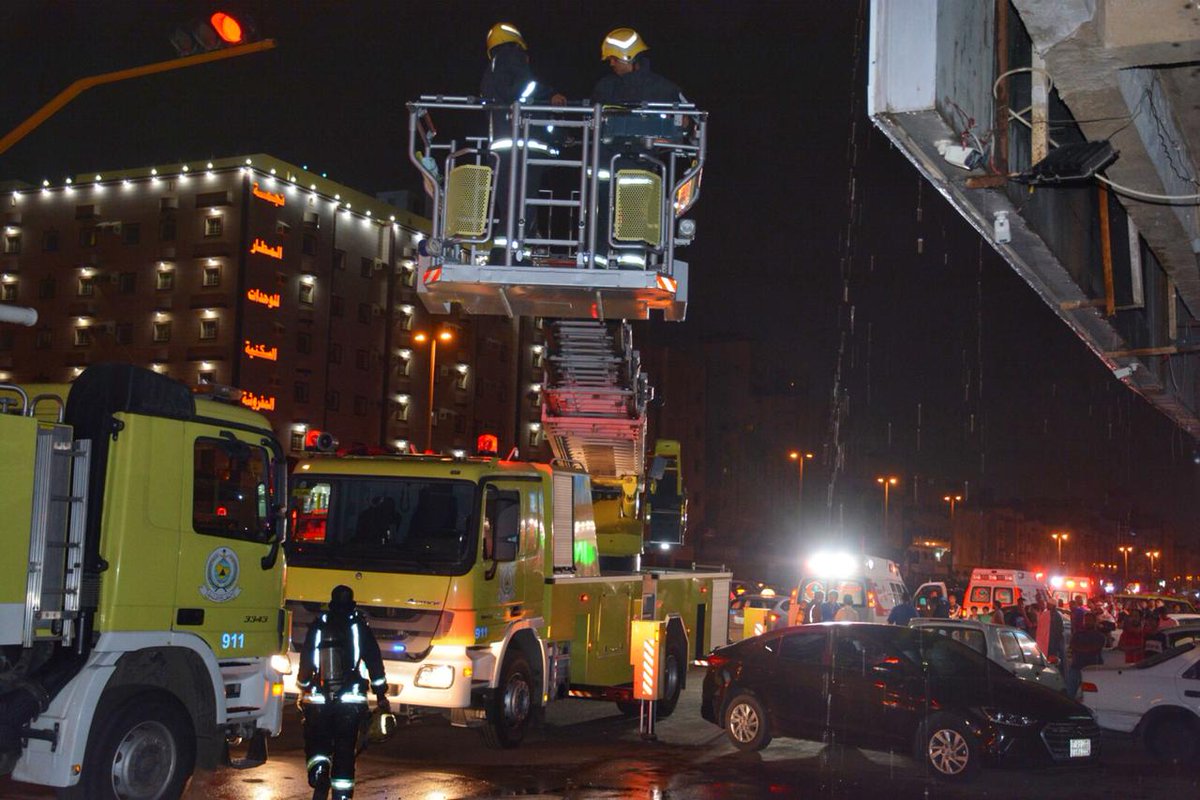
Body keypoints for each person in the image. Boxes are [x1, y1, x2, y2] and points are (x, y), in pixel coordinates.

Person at [480, 23, 566, 261]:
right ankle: (509, 254)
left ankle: (512, 252)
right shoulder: (510, 56)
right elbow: (525, 88)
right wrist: (549, 95)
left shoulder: (493, 69)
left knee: (510, 205)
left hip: (506, 147)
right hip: (521, 148)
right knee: (522, 204)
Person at [296, 585, 389, 800]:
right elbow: (374, 661)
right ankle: (342, 795)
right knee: (345, 749)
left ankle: (319, 773)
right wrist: (380, 694)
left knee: (318, 742)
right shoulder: (359, 627)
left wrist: (303, 686)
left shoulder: (319, 626)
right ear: (352, 604)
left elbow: (307, 660)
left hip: (318, 701)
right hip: (350, 703)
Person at [1067, 613, 1107, 700]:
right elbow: (1073, 645)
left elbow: (1094, 648)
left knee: (1090, 697)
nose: (1087, 622)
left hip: (1092, 669)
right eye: (1086, 620)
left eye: (1090, 620)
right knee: (1070, 694)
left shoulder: (1100, 636)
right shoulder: (1078, 634)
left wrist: (1081, 648)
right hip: (1077, 667)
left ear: (1095, 622)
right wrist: (1085, 648)